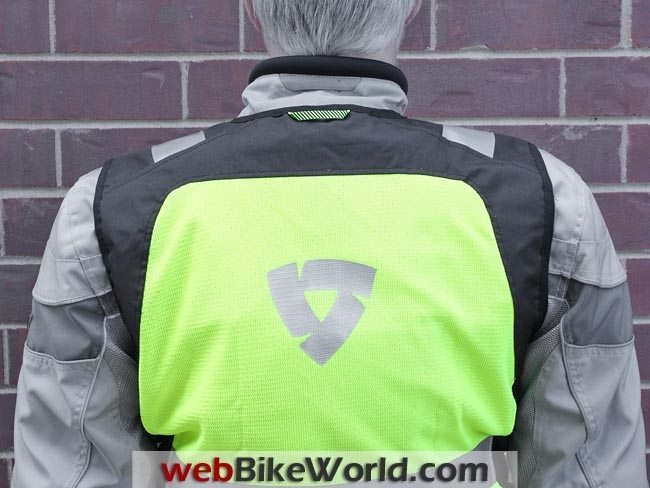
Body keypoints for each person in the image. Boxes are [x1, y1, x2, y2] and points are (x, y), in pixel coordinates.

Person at [11, 1, 648, 487]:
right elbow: (589, 466)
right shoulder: (542, 199)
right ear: (410, 8)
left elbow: (69, 467)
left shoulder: (112, 208)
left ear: (253, 10)